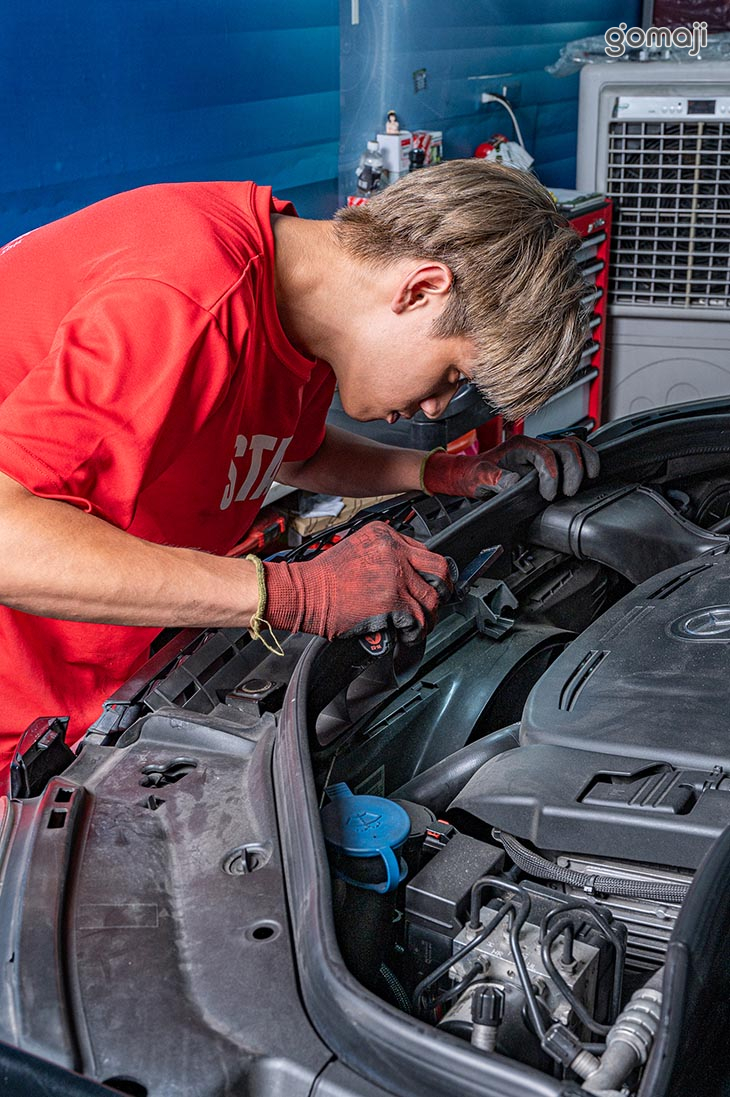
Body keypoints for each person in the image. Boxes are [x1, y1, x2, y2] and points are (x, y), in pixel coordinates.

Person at [0, 158, 598, 765]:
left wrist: (439, 474)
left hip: (114, 666)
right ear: (420, 289)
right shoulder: (184, 300)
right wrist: (294, 591)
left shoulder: (300, 304)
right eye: (453, 373)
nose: (440, 402)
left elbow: (292, 453)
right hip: (17, 709)